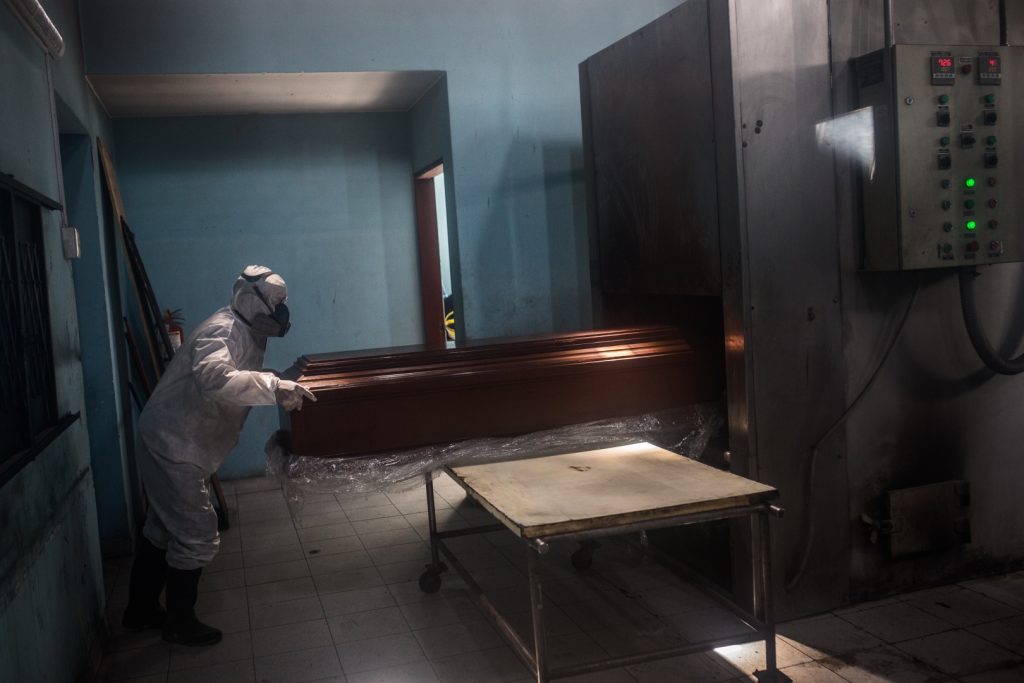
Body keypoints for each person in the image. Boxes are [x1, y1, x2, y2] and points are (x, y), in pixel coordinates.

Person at [121, 265, 315, 646]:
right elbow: (215, 377)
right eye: (275, 303)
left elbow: (241, 375)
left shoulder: (248, 330)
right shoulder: (221, 330)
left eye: (283, 303)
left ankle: (140, 610)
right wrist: (273, 386)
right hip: (173, 443)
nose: (280, 312)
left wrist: (283, 377)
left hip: (179, 440)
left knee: (163, 527)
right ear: (249, 298)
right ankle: (179, 622)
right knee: (196, 532)